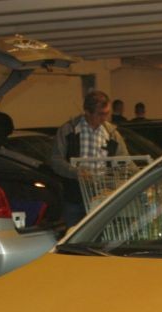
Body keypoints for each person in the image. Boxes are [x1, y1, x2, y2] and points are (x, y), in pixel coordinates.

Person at [50, 90, 130, 227]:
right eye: (100, 114)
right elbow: (56, 160)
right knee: (74, 235)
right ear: (87, 112)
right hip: (74, 198)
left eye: (107, 113)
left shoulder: (112, 134)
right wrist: (75, 172)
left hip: (102, 199)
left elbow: (125, 162)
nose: (104, 118)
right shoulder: (68, 130)